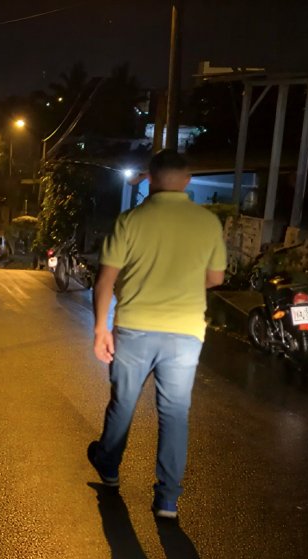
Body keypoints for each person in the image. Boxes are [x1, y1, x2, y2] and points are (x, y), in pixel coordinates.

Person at [87, 150, 227, 520]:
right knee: (175, 413)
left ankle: (110, 468)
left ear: (150, 178)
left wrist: (100, 328)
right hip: (185, 332)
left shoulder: (130, 221)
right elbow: (215, 279)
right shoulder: (208, 223)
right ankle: (167, 499)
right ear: (188, 180)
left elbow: (105, 280)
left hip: (135, 327)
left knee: (124, 403)